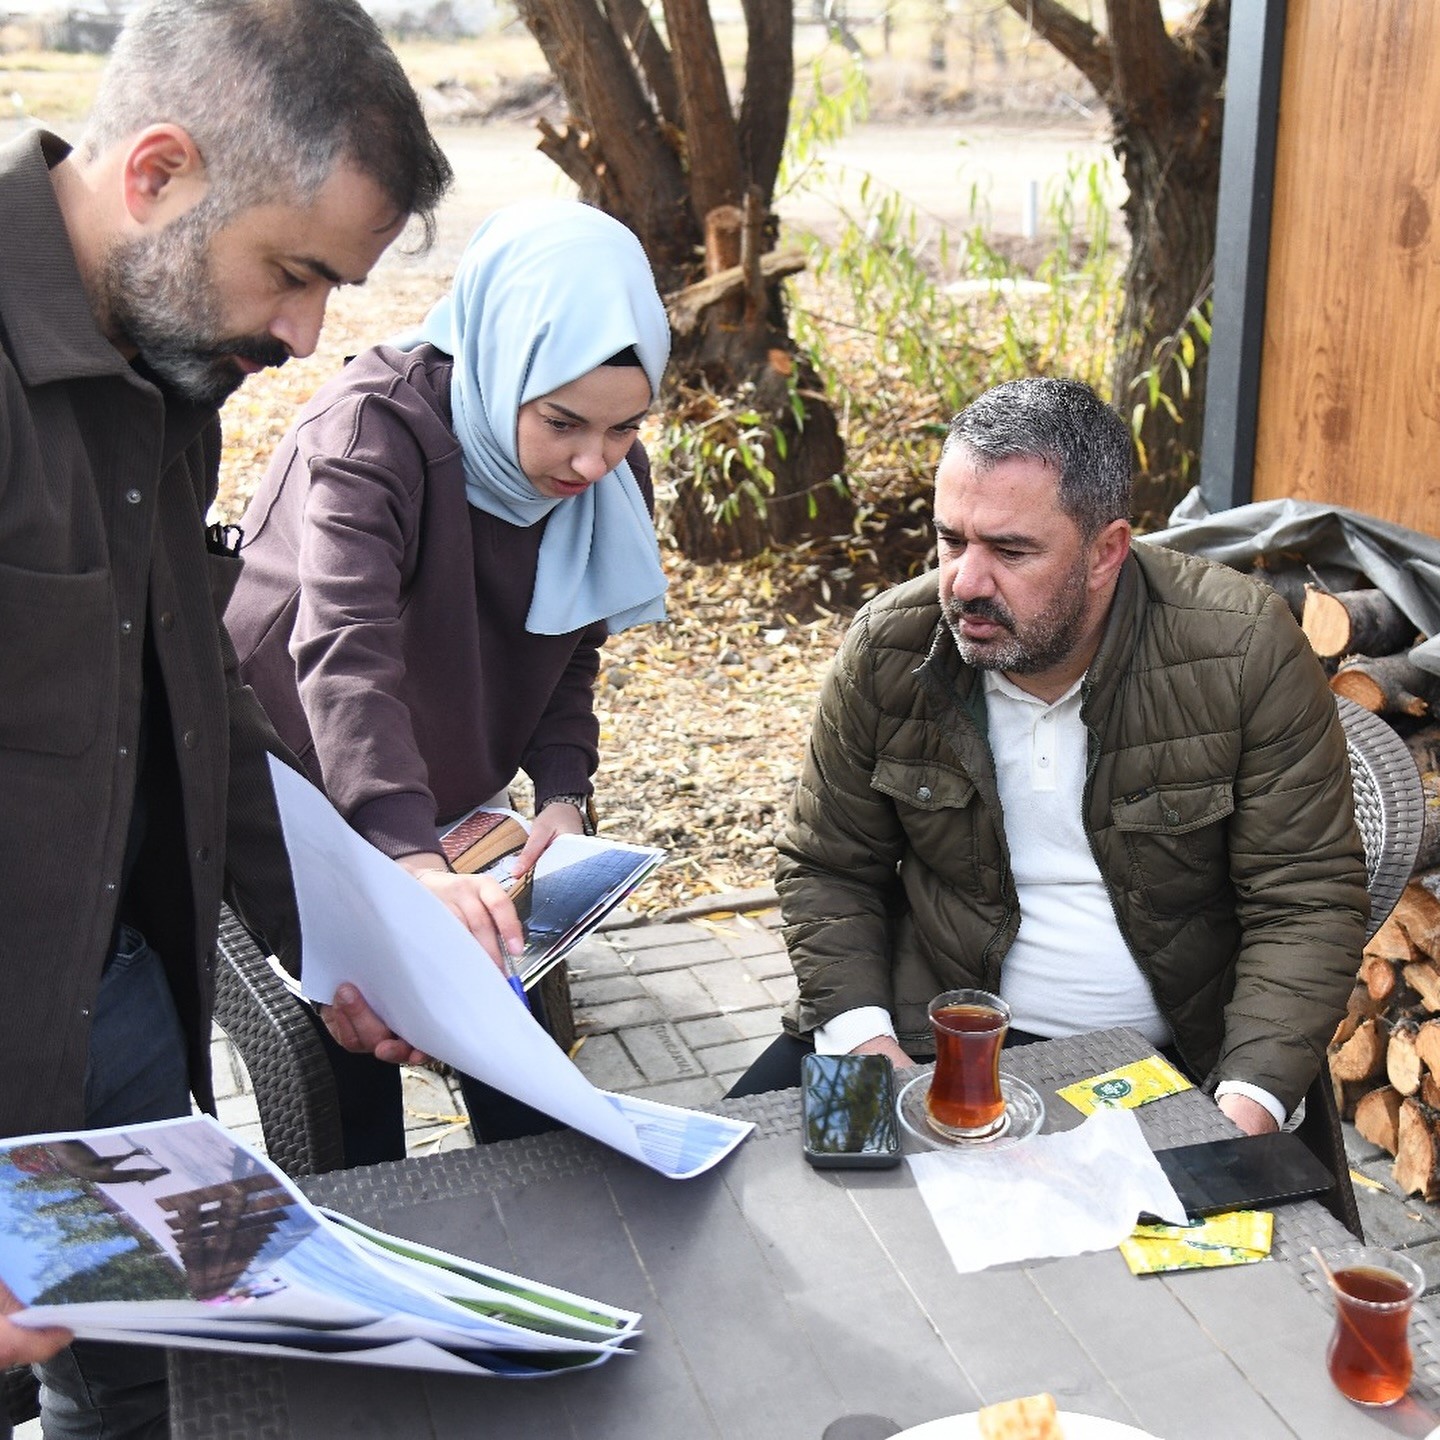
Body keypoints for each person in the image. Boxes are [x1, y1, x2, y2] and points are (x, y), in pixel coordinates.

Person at [0, 1, 450, 1432]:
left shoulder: (167, 377)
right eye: (294, 274)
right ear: (158, 174)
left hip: (122, 1023)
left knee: (162, 1400)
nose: (308, 335)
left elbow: (194, 704)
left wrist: (354, 935)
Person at [733, 377, 1368, 1148]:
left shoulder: (1242, 650)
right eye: (950, 540)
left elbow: (1305, 900)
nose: (964, 583)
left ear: (1106, 551)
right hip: (922, 1034)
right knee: (730, 1181)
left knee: (1188, 1262)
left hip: (1176, 1062)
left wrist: (1242, 1107)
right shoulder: (888, 647)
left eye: (1010, 550)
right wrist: (873, 1051)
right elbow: (826, 867)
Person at [224, 199, 672, 1159]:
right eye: (563, 422)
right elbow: (342, 649)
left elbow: (569, 641)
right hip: (292, 774)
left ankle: (554, 1256)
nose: (594, 461)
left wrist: (562, 795)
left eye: (627, 429)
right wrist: (410, 863)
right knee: (349, 1069)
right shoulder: (372, 432)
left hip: (444, 781)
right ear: (501, 358)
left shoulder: (598, 476)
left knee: (519, 1064)